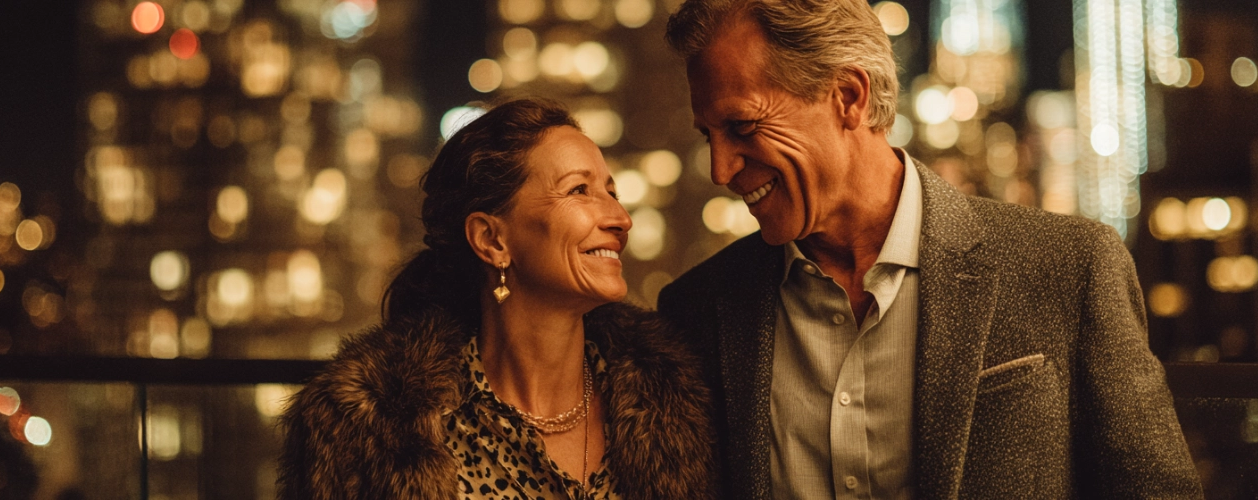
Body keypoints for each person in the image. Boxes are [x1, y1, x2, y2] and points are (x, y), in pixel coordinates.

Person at [656, 1, 1204, 498]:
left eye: (742, 126)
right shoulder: (697, 311)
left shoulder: (1069, 266)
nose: (720, 169)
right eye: (709, 135)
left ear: (848, 96)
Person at [278, 99, 715, 499]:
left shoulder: (675, 402)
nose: (620, 218)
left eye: (612, 192)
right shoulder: (370, 427)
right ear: (491, 239)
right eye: (578, 190)